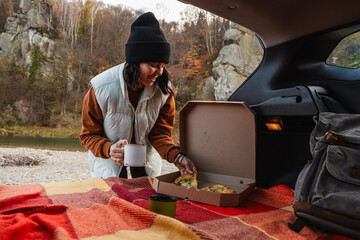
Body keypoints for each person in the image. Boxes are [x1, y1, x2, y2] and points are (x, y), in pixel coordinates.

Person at [80, 12, 196, 179]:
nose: (160, 72)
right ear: (135, 61)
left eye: (163, 65)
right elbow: (88, 135)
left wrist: (177, 156)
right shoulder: (100, 88)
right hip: (108, 170)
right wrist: (109, 148)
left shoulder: (164, 92)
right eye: (153, 65)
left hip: (146, 169)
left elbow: (160, 134)